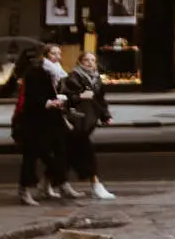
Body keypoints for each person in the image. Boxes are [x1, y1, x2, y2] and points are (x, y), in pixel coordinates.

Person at [17, 44, 78, 205]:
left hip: (54, 119)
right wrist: (47, 102)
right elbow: (30, 97)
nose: (57, 56)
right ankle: (25, 189)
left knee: (61, 152)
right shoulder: (36, 72)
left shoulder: (59, 73)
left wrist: (65, 99)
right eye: (53, 53)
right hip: (36, 120)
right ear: (45, 55)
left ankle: (53, 183)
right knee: (32, 155)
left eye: (59, 53)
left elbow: (65, 93)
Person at [61, 52, 115, 200]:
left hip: (88, 121)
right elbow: (65, 98)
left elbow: (100, 100)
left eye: (93, 60)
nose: (90, 63)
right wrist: (79, 96)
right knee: (86, 152)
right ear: (80, 62)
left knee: (67, 155)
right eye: (86, 60)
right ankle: (96, 184)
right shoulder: (73, 77)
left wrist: (106, 116)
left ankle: (52, 184)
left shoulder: (96, 79)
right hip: (75, 122)